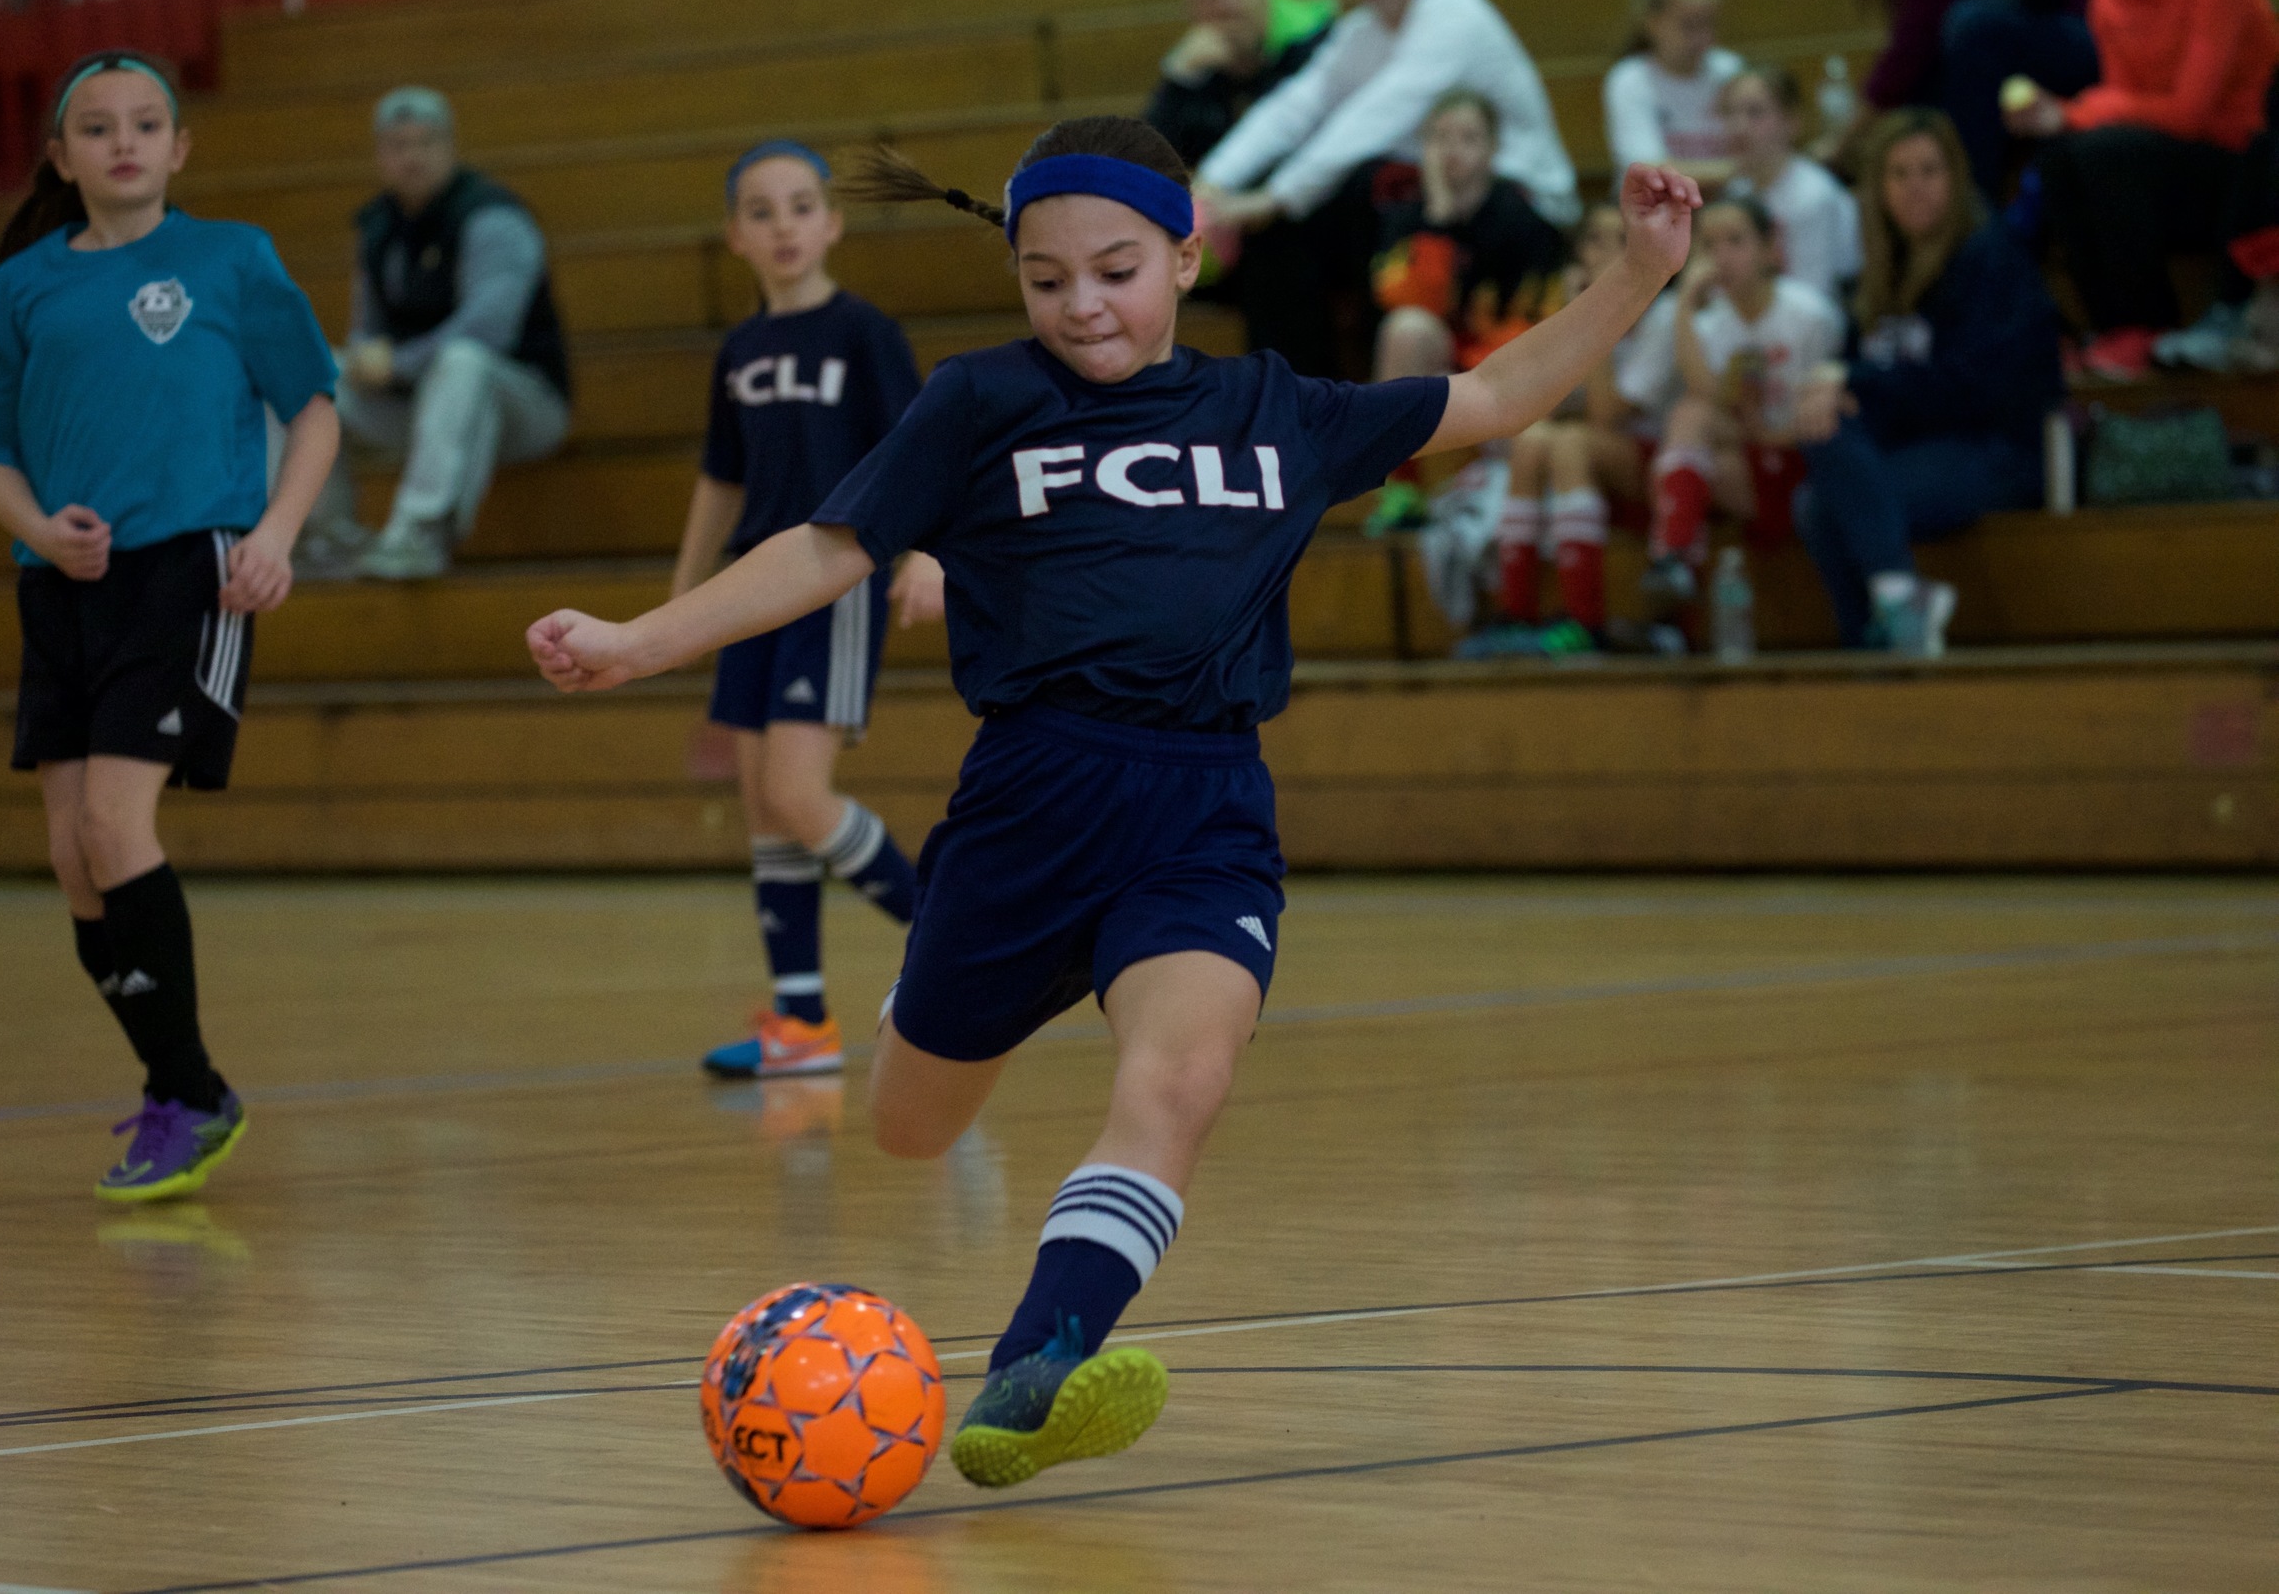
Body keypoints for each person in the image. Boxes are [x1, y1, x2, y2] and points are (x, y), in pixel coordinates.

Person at [525, 114, 1699, 1489]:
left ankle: (1030, 1376)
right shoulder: (978, 403)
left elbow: (1491, 401)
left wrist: (1639, 269)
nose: (1083, 303)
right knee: (912, 1124)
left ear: (1188, 258)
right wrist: (635, 640)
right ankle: (940, 991)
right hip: (1030, 804)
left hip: (1204, 807)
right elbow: (830, 544)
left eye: (1118, 268)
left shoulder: (1278, 410)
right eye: (1046, 277)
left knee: (1182, 1074)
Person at [0, 51, 340, 1201]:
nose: (123, 142)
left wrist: (276, 533)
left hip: (184, 571)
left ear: (180, 146)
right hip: (61, 587)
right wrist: (42, 533)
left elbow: (312, 408)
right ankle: (178, 1087)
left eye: (145, 123)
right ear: (62, 157)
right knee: (71, 855)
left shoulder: (229, 259)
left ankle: (193, 1089)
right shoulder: (22, 288)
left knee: (113, 820)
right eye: (96, 128)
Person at [679, 140, 940, 1081]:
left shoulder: (862, 332)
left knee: (798, 791)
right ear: (735, 235)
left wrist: (922, 551)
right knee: (763, 807)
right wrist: (682, 600)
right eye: (761, 210)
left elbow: (924, 449)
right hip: (750, 588)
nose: (783, 224)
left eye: (800, 206)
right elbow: (721, 478)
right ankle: (802, 1022)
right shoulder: (740, 350)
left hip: (831, 578)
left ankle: (951, 954)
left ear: (832, 222)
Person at [1193, 0, 1577, 377]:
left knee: (1353, 193)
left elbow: (1376, 117)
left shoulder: (1456, 15)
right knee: (1283, 237)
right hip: (1437, 204)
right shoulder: (1362, 32)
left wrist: (1275, 196)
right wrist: (1212, 182)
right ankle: (1296, 397)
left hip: (1520, 211)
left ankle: (1362, 396)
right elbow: (1294, 106)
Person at [1793, 110, 2060, 653]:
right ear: (1879, 187)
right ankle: (1885, 630)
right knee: (1816, 486)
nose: (1915, 187)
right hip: (1916, 448)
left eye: (1929, 171)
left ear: (1955, 178)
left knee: (1834, 495)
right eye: (1899, 173)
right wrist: (1842, 387)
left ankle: (1889, 621)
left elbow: (1975, 387)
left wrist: (1855, 382)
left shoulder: (1990, 257)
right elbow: (1866, 386)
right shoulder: (1876, 277)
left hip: (1997, 449)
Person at [299, 87, 571, 580]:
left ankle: (418, 533)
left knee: (463, 361)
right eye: (398, 145)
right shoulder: (377, 224)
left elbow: (488, 331)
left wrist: (395, 365)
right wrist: (363, 360)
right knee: (308, 374)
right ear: (380, 155)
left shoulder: (494, 218)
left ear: (450, 146)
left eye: (425, 142)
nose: (412, 156)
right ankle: (324, 535)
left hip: (523, 405)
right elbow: (368, 330)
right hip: (423, 402)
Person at [2005, 0, 2279, 380]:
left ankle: (2150, 321)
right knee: (2060, 152)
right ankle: (2115, 327)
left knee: (2102, 148)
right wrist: (2072, 117)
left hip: (2246, 169)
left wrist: (2079, 110)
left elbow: (2190, 113)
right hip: (2162, 166)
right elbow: (2126, 109)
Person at [1363, 89, 1571, 533]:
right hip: (1440, 365)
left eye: (1468, 138)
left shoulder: (1522, 221)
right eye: (1440, 138)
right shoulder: (1406, 215)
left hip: (1501, 365)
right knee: (1406, 329)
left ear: (1493, 150)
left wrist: (1478, 381)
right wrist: (1436, 222)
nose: (1451, 150)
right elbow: (1403, 301)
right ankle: (1403, 490)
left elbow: (1534, 322)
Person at [1645, 196, 1846, 616]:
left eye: (1735, 241)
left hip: (1806, 462)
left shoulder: (1811, 315)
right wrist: (1684, 303)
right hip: (1749, 458)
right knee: (1686, 426)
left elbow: (1833, 412)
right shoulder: (1710, 322)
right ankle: (1674, 566)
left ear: (1769, 247)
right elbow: (1708, 398)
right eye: (1709, 245)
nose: (1721, 258)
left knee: (1677, 464)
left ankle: (1673, 573)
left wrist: (1768, 433)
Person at [1489, 203, 1676, 654]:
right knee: (1531, 442)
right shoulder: (1582, 307)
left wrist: (1591, 319)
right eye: (1593, 239)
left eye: (1619, 239)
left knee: (1570, 443)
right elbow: (1535, 406)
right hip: (1604, 456)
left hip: (1658, 463)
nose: (1603, 251)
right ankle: (1517, 616)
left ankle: (1587, 622)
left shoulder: (1663, 311)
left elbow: (1608, 416)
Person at [1849, 0, 2108, 201]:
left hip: (2095, 45)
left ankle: (1973, 203)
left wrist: (1845, 142)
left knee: (1971, 30)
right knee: (1954, 49)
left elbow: (1903, 63)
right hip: (2067, 40)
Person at [1144, 0, 1339, 168]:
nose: (1227, 6)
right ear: (1191, 3)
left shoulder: (1320, 46)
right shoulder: (1194, 65)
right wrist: (1177, 79)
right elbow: (1148, 163)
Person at [1721, 65, 1864, 297]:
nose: (1738, 127)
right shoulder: (1737, 191)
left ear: (1792, 122)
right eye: (1729, 113)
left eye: (1755, 112)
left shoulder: (1813, 195)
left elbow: (1815, 300)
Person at [1603, 0, 1744, 187]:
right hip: (1657, 207)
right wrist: (1739, 169)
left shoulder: (1731, 70)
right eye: (1688, 26)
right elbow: (1648, 171)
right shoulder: (1629, 80)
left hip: (1724, 206)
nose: (1701, 38)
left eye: (1708, 23)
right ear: (1652, 21)